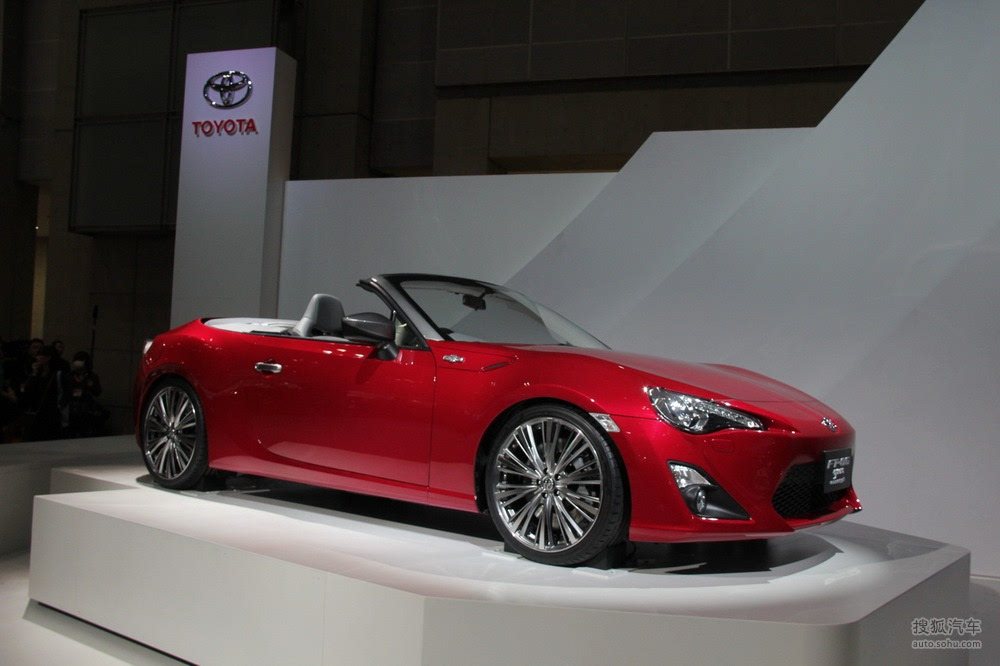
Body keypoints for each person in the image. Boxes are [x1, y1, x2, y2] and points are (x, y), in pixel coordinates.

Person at [59, 351, 108, 437]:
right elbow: (64, 390)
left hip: (86, 409)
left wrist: (90, 385)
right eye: (76, 360)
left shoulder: (91, 376)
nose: (78, 362)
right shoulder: (70, 375)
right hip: (71, 409)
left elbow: (97, 392)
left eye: (80, 360)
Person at [22, 345, 62, 441]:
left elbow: (63, 394)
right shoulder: (38, 373)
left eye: (40, 355)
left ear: (48, 358)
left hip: (50, 414)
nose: (37, 358)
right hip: (35, 411)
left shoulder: (57, 375)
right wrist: (34, 373)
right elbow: (28, 390)